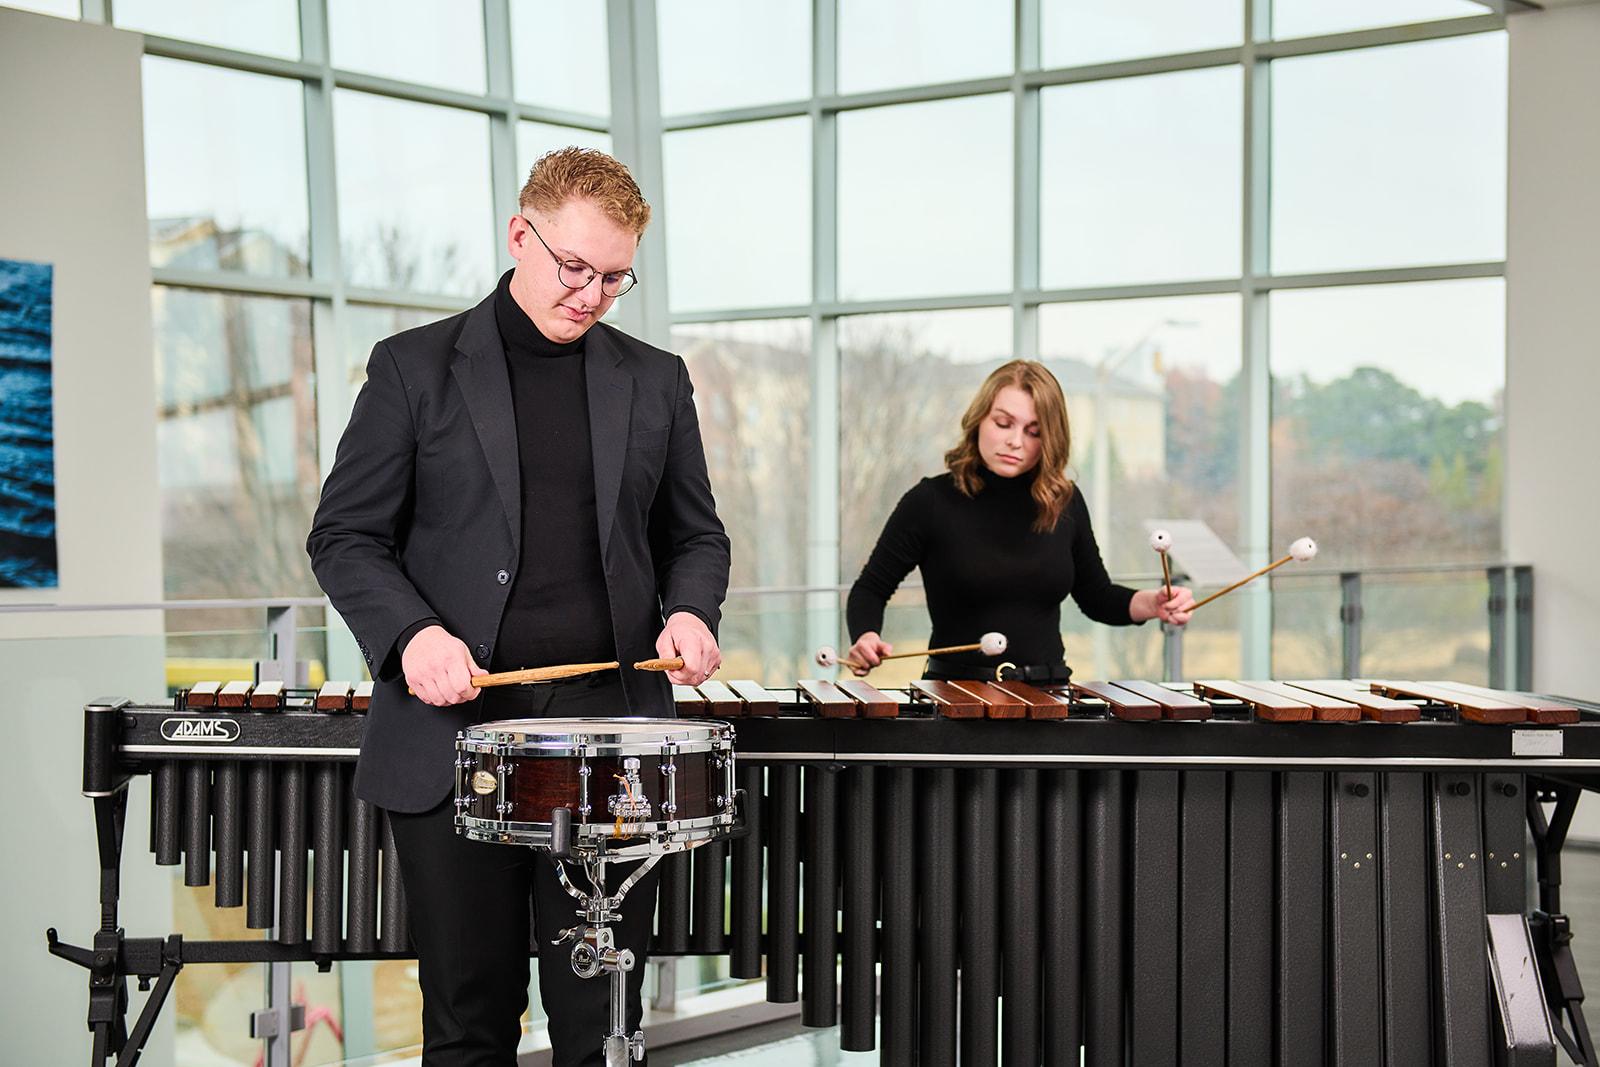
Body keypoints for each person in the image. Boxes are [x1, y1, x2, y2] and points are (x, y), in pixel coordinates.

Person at [307, 147, 730, 1065]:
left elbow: (696, 535)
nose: (590, 294)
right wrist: (412, 633)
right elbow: (343, 535)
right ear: (518, 234)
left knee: (601, 1029)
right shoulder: (413, 369)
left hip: (612, 748)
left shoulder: (655, 380)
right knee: (468, 1023)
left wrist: (692, 612)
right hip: (454, 744)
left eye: (614, 277)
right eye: (574, 267)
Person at [844, 359, 1192, 682]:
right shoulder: (930, 502)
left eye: (1033, 431)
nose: (1015, 441)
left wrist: (1153, 603)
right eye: (1003, 423)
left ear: (1049, 440)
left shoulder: (1064, 502)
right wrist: (866, 635)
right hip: (956, 698)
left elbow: (1096, 596)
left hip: (1049, 696)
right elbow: (871, 588)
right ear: (979, 419)